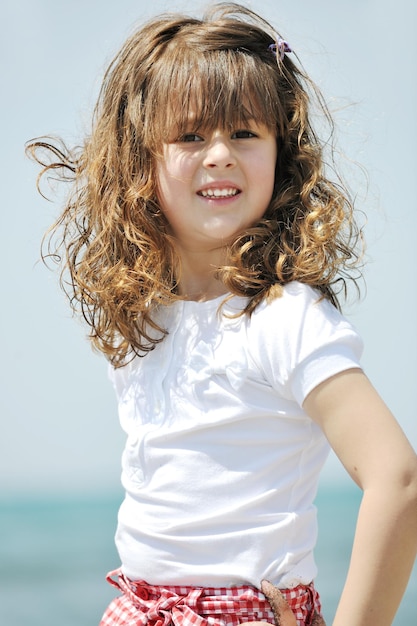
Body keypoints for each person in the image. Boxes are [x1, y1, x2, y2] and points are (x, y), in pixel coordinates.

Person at [26, 3, 417, 625]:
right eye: (189, 135)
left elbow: (397, 480)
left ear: (280, 156)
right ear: (139, 162)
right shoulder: (146, 317)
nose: (218, 155)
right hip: (138, 607)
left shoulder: (283, 317)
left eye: (244, 133)